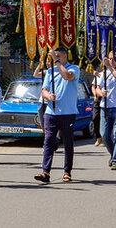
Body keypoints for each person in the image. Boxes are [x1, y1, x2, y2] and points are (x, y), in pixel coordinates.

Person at [34, 47, 80, 183]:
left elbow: (67, 76)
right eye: (55, 56)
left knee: (68, 142)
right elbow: (44, 90)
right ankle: (45, 172)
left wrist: (57, 62)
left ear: (65, 56)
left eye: (58, 56)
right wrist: (48, 96)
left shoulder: (74, 68)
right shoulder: (50, 71)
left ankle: (67, 172)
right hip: (51, 112)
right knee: (48, 141)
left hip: (68, 112)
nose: (56, 58)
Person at [94, 51, 116, 170]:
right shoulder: (104, 73)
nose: (110, 61)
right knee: (104, 134)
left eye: (113, 59)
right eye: (109, 58)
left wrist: (110, 67)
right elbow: (97, 89)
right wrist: (100, 93)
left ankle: (115, 160)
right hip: (105, 107)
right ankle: (114, 154)